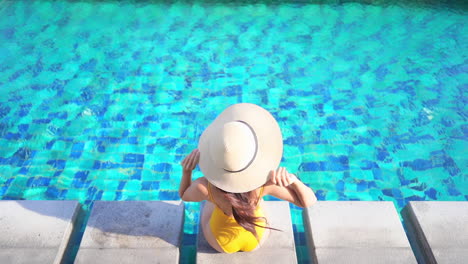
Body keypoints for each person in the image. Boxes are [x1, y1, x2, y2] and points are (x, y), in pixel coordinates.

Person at [178, 103, 317, 253]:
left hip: (221, 243)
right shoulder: (265, 184)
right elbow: (308, 202)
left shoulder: (205, 187)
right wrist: (294, 181)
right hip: (254, 240)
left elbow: (184, 195)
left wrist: (187, 172)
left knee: (209, 203)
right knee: (257, 202)